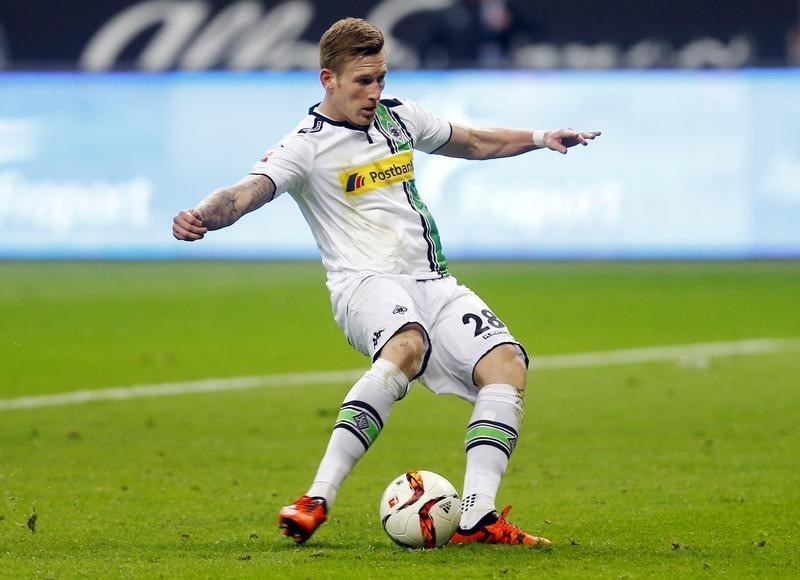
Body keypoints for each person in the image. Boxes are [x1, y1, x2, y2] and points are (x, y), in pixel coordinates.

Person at [172, 17, 600, 546]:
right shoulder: (305, 146)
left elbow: (472, 141)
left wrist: (539, 137)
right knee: (406, 346)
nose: (375, 92)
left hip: (432, 281)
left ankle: (477, 518)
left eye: (381, 79)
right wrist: (204, 216)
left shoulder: (398, 119)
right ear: (327, 79)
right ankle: (317, 497)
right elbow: (245, 192)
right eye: (362, 81)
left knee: (507, 366)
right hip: (364, 283)